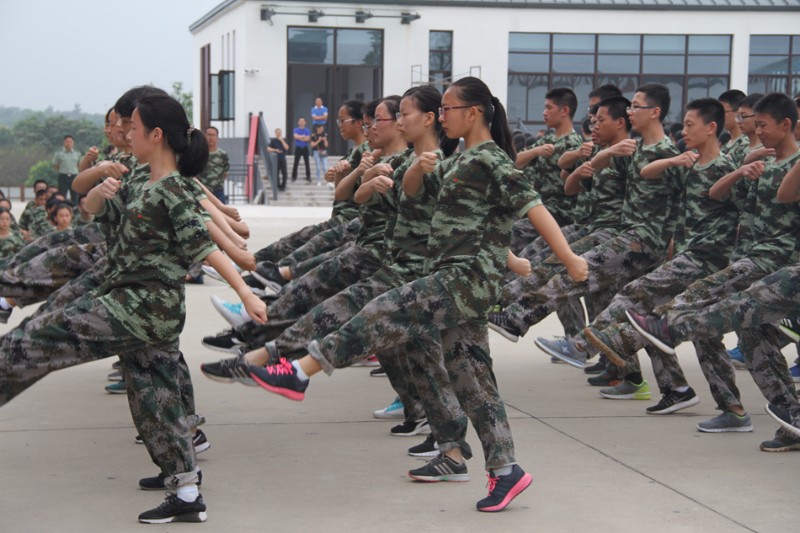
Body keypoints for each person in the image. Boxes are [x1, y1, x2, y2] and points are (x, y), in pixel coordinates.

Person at [243, 77, 589, 513]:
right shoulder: (458, 159)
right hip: (453, 275)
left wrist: (571, 258)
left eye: (448, 109)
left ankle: (301, 371)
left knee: (383, 309)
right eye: (440, 110)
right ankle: (506, 471)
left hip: (465, 279)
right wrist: (416, 169)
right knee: (471, 378)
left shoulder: (492, 160)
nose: (442, 117)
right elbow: (414, 194)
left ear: (474, 113)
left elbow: (533, 208)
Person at [0, 92, 267, 523]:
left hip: (141, 306)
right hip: (137, 303)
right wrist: (101, 190)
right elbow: (88, 205)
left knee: (34, 341)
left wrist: (247, 293)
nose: (127, 135)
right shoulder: (139, 179)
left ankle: (184, 484)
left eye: (135, 129)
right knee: (153, 396)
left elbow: (204, 247)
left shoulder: (174, 188)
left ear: (156, 135)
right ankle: (185, 491)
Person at [197, 126, 230, 203]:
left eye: (213, 135)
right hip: (201, 191)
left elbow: (226, 173)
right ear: (204, 136)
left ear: (217, 138)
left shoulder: (222, 154)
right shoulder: (199, 153)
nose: (210, 137)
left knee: (221, 213)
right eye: (208, 135)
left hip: (218, 191)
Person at [52, 135, 82, 205]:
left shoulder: (77, 154)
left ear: (73, 143)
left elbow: (79, 165)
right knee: (62, 195)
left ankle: (75, 210)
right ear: (64, 142)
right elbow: (55, 165)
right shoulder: (59, 154)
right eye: (67, 142)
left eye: (70, 142)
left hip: (74, 176)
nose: (68, 143)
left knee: (75, 196)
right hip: (63, 176)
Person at [292, 118, 311, 182]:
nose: (302, 122)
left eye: (303, 121)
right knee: (296, 163)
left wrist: (300, 137)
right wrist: (303, 137)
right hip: (298, 148)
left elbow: (308, 139)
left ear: (305, 122)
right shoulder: (296, 129)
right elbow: (295, 137)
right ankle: (294, 176)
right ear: (298, 122)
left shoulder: (307, 130)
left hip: (305, 148)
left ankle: (308, 177)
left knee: (307, 163)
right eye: (300, 121)